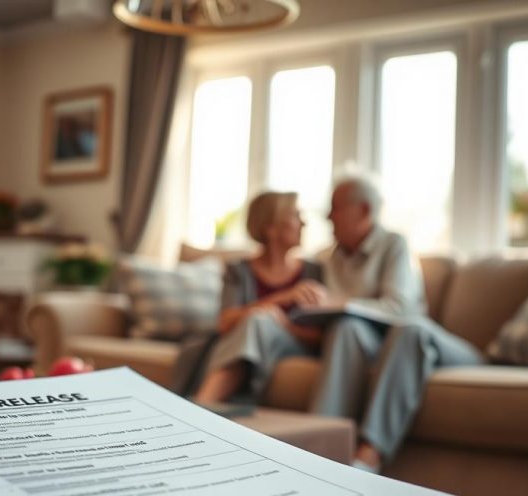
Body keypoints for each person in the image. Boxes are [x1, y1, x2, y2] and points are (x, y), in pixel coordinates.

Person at [312, 174, 483, 473]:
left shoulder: (394, 245)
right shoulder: (326, 258)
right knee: (345, 328)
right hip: (377, 350)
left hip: (423, 345)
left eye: (335, 207)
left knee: (409, 328)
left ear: (363, 211)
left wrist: (341, 304)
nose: (328, 216)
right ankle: (318, 453)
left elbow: (401, 309)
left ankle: (369, 457)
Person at [193, 191, 327, 404]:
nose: (303, 223)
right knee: (257, 319)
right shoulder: (239, 270)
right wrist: (280, 299)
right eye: (296, 216)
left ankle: (201, 405)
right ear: (271, 228)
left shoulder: (315, 272)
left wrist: (282, 324)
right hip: (243, 342)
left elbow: (321, 337)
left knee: (259, 320)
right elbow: (225, 323)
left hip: (292, 345)